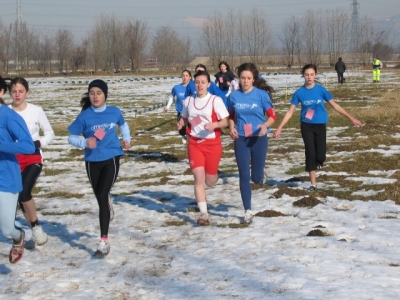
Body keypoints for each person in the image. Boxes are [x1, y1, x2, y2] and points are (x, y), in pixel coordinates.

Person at [273, 64, 362, 191]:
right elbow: (290, 112)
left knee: (320, 155)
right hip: (306, 125)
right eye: (307, 74)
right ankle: (313, 184)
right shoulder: (299, 93)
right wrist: (280, 127)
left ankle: (318, 162)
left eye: (312, 74)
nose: (309, 77)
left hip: (320, 125)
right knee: (310, 152)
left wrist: (351, 118)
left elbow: (335, 106)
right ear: (303, 75)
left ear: (315, 75)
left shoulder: (321, 90)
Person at [68, 79, 131, 257]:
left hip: (111, 156)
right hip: (91, 160)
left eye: (99, 93)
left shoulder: (114, 111)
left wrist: (126, 139)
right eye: (92, 93)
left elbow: (123, 125)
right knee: (100, 198)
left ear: (105, 95)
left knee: (102, 195)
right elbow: (71, 137)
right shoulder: (84, 117)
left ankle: (104, 242)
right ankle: (107, 205)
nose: (95, 96)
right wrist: (84, 142)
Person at [177, 70, 229, 226]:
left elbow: (225, 121)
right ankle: (204, 214)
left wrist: (215, 124)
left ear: (208, 84)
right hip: (195, 143)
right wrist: (181, 123)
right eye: (197, 82)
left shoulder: (215, 100)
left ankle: (214, 174)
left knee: (210, 181)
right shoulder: (189, 101)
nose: (199, 85)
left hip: (212, 144)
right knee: (198, 179)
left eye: (203, 82)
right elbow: (185, 117)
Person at [9, 77, 55, 249]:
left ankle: (35, 228)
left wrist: (38, 143)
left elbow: (50, 133)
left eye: (21, 91)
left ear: (27, 92)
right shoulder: (5, 111)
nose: (17, 95)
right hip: (12, 159)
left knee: (24, 191)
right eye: (14, 91)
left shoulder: (36, 110)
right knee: (19, 198)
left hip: (33, 158)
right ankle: (35, 229)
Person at [228, 62, 277, 224]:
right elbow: (230, 115)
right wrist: (232, 127)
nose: (246, 81)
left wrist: (265, 125)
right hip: (241, 138)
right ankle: (247, 210)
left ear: (254, 79)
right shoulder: (234, 96)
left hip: (258, 138)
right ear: (239, 79)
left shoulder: (262, 95)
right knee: (244, 174)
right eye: (243, 78)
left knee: (256, 178)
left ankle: (260, 175)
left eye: (249, 78)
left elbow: (272, 116)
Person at [0, 76, 35, 263]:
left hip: (5, 178)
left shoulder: (9, 117)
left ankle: (17, 236)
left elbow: (28, 146)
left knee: (6, 229)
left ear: (1, 92)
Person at [164, 70, 192, 144]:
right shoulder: (176, 87)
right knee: (181, 127)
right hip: (181, 111)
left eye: (186, 75)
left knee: (193, 127)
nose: (184, 77)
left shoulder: (193, 87)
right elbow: (172, 97)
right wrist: (167, 107)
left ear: (190, 77)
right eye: (183, 75)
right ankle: (184, 135)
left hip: (192, 111)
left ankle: (193, 139)